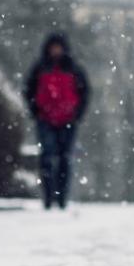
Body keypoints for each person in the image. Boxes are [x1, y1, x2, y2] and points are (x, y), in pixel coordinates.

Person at [24, 33, 89, 210]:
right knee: (47, 157)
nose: (56, 51)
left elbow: (84, 93)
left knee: (64, 159)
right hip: (45, 119)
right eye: (53, 47)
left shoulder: (74, 69)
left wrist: (77, 114)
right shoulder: (40, 68)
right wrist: (36, 111)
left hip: (68, 120)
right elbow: (29, 90)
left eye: (58, 47)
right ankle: (48, 197)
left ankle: (61, 198)